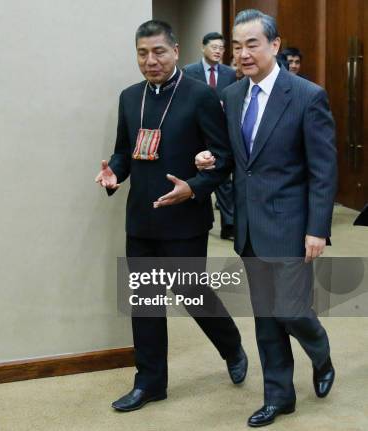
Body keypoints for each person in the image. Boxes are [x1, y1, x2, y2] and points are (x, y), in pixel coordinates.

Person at [186, 9, 336, 427]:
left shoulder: (307, 96)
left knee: (290, 310)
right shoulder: (233, 96)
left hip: (291, 226)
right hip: (250, 228)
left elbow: (323, 170)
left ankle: (320, 353)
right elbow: (235, 160)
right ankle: (279, 397)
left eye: (252, 44)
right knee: (266, 317)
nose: (244, 53)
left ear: (274, 45)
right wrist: (209, 160)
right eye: (237, 46)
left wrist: (317, 229)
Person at [95, 19, 247, 413]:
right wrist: (113, 173)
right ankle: (149, 383)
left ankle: (231, 346)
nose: (151, 61)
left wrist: (194, 186)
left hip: (184, 219)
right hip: (141, 220)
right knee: (144, 303)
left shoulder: (199, 96)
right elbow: (124, 151)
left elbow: (223, 158)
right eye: (143, 53)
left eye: (158, 51)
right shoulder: (130, 97)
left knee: (192, 294)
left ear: (176, 51)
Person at [183, 32, 237, 240]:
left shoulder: (229, 73)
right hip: (196, 134)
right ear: (203, 48)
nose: (218, 51)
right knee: (199, 177)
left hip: (219, 133)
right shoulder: (189, 71)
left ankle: (228, 225)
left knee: (223, 178)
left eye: (221, 48)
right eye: (214, 47)